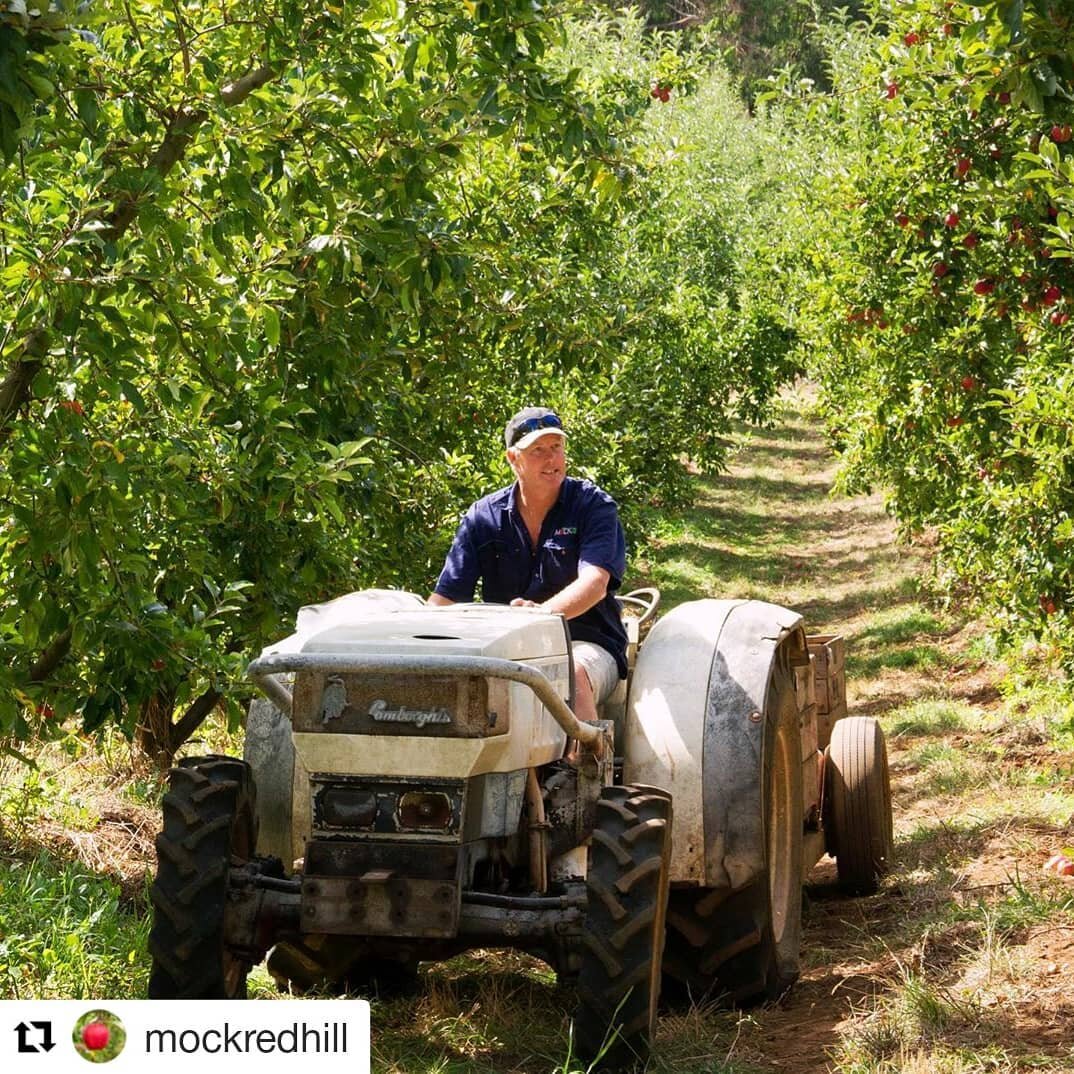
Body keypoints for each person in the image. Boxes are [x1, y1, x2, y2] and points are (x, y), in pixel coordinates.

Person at [428, 406, 628, 724]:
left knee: (571, 671)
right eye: (538, 451)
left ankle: (583, 768)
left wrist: (538, 618)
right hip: (502, 649)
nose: (552, 460)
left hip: (586, 643)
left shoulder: (592, 505)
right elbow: (445, 600)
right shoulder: (483, 517)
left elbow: (595, 583)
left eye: (556, 448)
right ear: (513, 458)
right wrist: (418, 642)